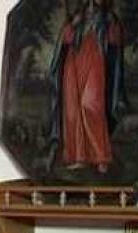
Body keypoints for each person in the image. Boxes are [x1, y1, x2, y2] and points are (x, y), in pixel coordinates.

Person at [47, 0, 125, 174]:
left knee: (90, 106)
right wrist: (71, 26)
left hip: (95, 60)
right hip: (73, 63)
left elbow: (114, 42)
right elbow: (66, 39)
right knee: (73, 111)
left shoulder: (107, 18)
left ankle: (101, 157)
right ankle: (78, 157)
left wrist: (111, 28)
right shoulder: (77, 16)